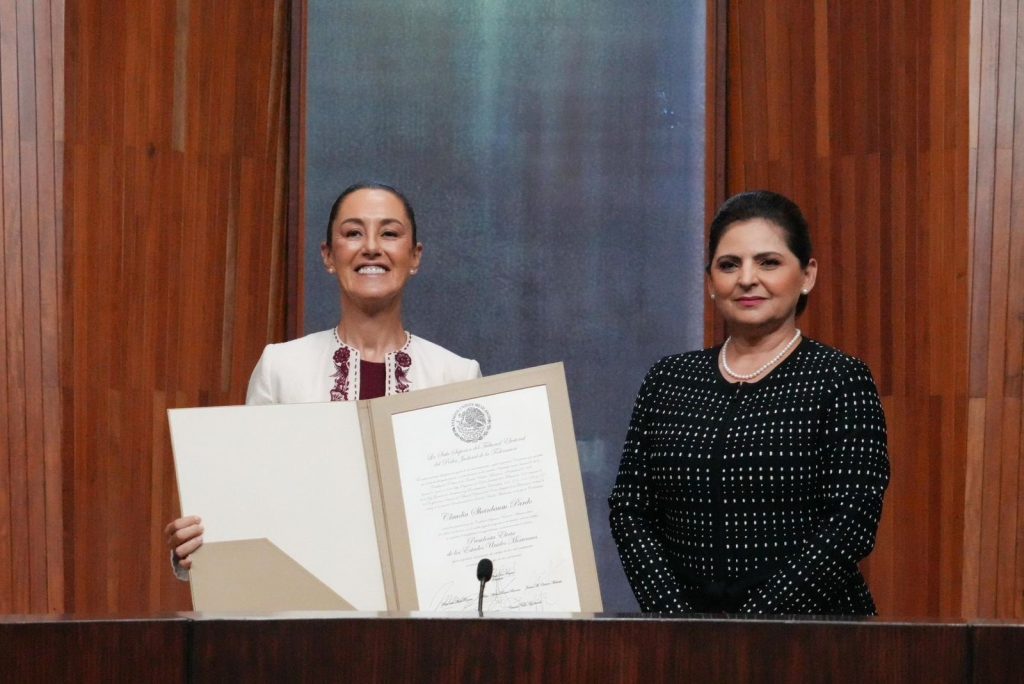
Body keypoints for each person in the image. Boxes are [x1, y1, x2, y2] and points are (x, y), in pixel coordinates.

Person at [164, 182, 481, 579]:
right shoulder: (281, 367)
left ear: (414, 256)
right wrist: (194, 550)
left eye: (389, 233)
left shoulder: (456, 375)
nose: (371, 247)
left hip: (421, 621)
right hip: (306, 616)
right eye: (352, 233)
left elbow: (472, 525)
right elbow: (246, 500)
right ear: (328, 256)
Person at [608, 190, 889, 615]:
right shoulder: (668, 380)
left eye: (769, 262)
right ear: (710, 283)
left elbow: (851, 521)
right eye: (729, 265)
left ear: (807, 274)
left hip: (812, 639)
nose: (746, 279)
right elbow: (630, 509)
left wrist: (753, 627)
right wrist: (675, 621)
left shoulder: (840, 380)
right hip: (683, 640)